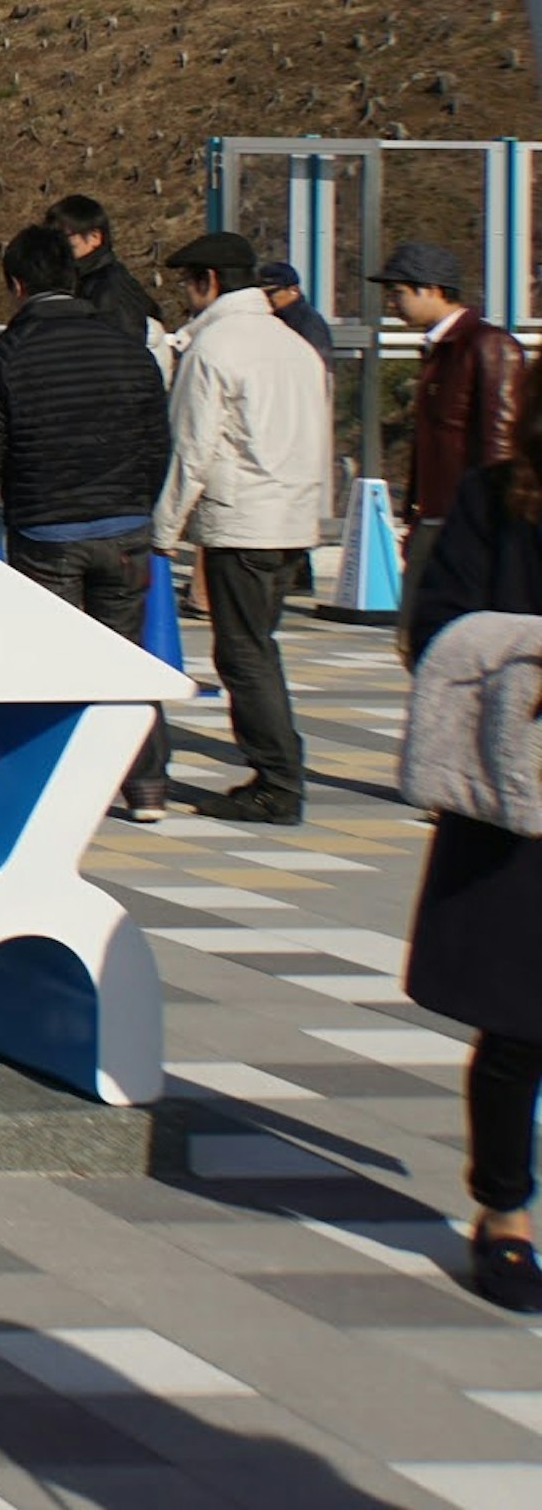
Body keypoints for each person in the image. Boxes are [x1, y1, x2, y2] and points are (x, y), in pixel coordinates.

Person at [0, 226, 177, 821]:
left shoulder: (5, 357)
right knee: (124, 657)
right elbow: (159, 442)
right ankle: (147, 784)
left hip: (47, 530)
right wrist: (139, 505)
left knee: (51, 659)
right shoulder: (128, 349)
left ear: (17, 283)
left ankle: (56, 784)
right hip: (126, 528)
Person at [398, 429, 542, 1313]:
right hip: (522, 798)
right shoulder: (497, 502)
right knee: (522, 1023)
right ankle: (506, 1213)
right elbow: (436, 630)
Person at [152, 228, 336, 823]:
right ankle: (277, 771)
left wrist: (163, 531)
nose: (187, 295)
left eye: (188, 283)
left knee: (243, 655)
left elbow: (190, 450)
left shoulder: (214, 349)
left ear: (208, 283)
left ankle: (278, 780)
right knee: (261, 645)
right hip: (291, 520)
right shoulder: (295, 346)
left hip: (242, 523)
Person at [380, 239, 524, 588]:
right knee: (418, 632)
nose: (392, 303)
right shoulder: (441, 349)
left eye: (398, 292)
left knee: (445, 630)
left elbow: (501, 445)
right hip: (438, 517)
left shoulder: (488, 346)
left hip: (469, 523)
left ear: (430, 289)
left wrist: (490, 523)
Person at [42, 194, 163, 357]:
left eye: (64, 237)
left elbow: (122, 355)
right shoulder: (79, 281)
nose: (56, 246)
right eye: (50, 238)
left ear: (94, 238)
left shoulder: (110, 288)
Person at [258, 257, 338, 363]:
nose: (265, 298)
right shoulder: (269, 319)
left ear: (293, 290)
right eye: (261, 293)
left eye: (271, 293)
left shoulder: (309, 323)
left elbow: (319, 363)